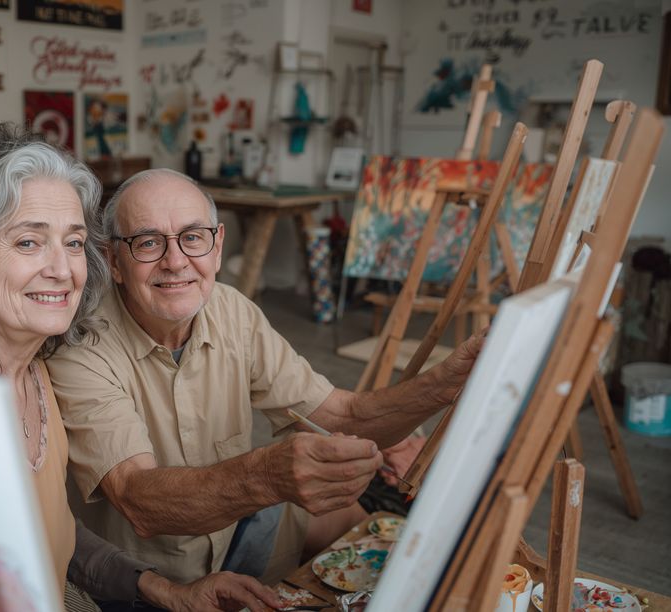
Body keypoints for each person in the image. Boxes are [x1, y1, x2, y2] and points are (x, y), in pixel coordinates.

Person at [0, 126, 281, 611]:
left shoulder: (37, 374)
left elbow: (51, 531)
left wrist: (165, 591)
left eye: (73, 242)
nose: (63, 270)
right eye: (29, 243)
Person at [46, 168, 484, 586]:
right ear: (113, 260)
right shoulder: (81, 342)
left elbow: (342, 415)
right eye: (147, 243)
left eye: (193, 238)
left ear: (217, 247)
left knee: (377, 543)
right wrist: (266, 475)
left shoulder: (231, 309)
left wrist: (445, 383)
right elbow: (139, 499)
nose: (176, 261)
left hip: (236, 529)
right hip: (152, 581)